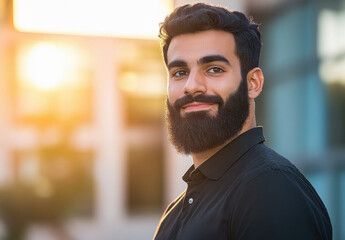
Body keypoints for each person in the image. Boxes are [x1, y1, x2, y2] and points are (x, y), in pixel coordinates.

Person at [154, 3, 332, 240]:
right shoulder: (174, 212)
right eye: (179, 72)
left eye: (214, 69)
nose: (191, 86)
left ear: (253, 83)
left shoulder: (270, 189)